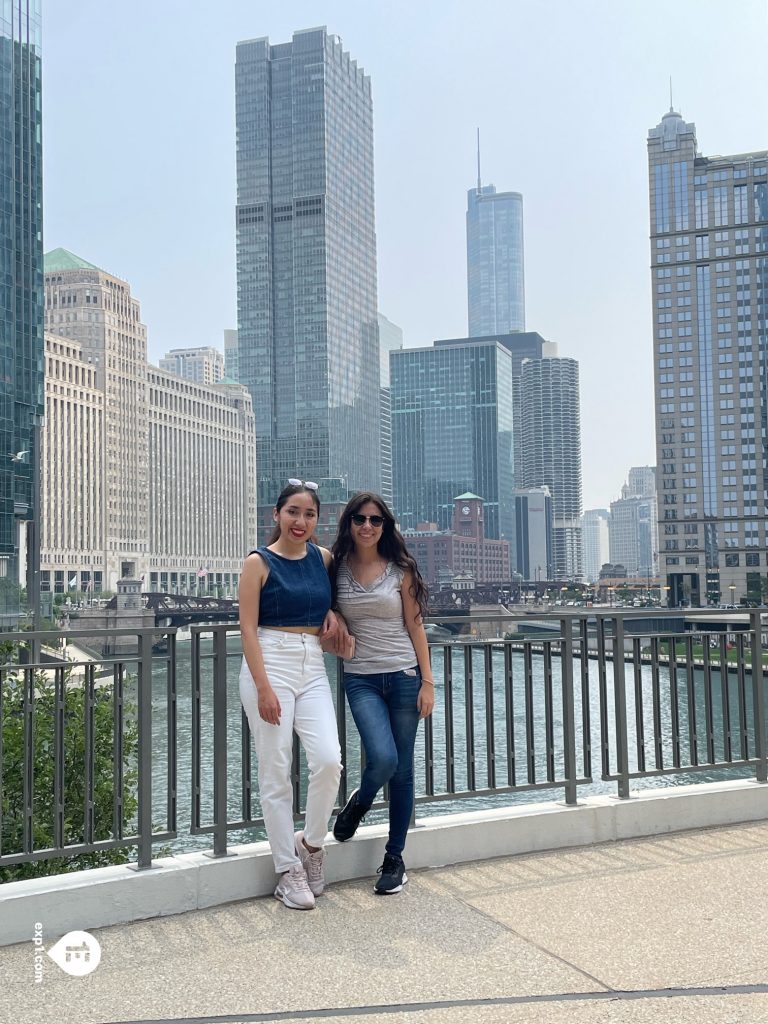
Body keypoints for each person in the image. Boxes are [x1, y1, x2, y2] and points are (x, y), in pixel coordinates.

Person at [238, 480, 342, 911]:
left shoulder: (324, 559)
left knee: (329, 760)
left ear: (317, 521)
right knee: (276, 771)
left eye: (309, 514)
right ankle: (287, 869)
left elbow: (330, 602)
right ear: (276, 515)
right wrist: (263, 686)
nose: (301, 522)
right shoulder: (258, 563)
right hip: (270, 661)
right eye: (293, 512)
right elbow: (246, 627)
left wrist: (333, 613)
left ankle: (312, 847)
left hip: (312, 664)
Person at [331, 492, 434, 894]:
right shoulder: (334, 568)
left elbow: (416, 627)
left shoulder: (400, 570)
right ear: (350, 524)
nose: (368, 526)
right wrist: (333, 616)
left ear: (385, 526)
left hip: (405, 675)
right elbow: (322, 607)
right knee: (384, 756)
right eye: (360, 519)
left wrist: (428, 682)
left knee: (403, 769)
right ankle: (362, 799)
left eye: (376, 520)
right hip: (361, 678)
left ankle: (394, 858)